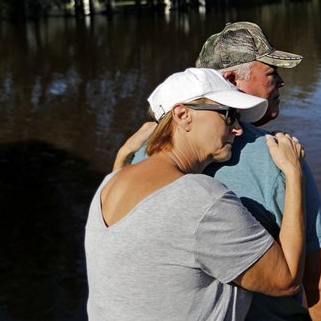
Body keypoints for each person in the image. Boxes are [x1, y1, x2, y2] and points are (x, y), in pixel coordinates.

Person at [117, 22, 321, 321]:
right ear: (229, 79)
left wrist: (123, 157)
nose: (281, 83)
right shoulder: (275, 157)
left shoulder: (144, 155)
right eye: (271, 74)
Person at [87, 68, 306, 320]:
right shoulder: (201, 199)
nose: (238, 129)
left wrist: (123, 155)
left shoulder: (108, 185)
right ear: (183, 115)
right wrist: (293, 172)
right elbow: (286, 279)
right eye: (228, 115)